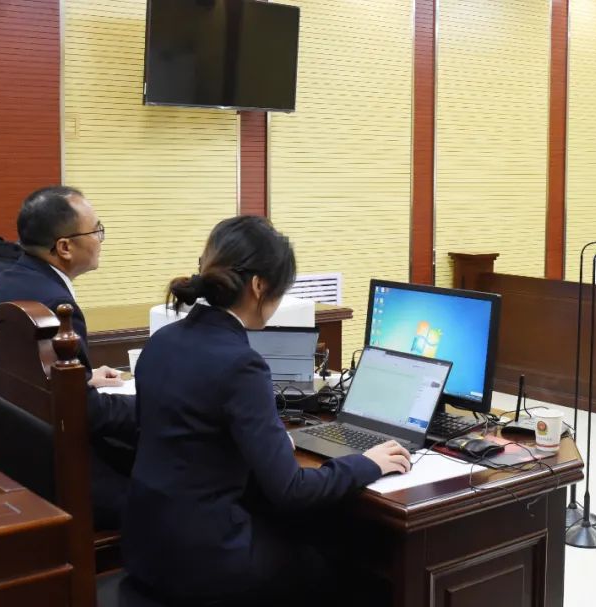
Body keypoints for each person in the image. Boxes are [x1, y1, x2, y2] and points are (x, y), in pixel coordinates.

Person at [123, 216, 411, 606]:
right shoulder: (242, 364)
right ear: (259, 286)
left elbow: (190, 438)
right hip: (205, 559)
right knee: (344, 560)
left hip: (147, 546)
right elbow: (292, 490)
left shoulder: (163, 341)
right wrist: (368, 463)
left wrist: (267, 442)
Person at [0, 186, 136, 529]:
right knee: (165, 496)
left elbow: (28, 378)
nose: (100, 239)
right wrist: (150, 403)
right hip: (42, 482)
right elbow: (87, 413)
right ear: (64, 247)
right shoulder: (54, 307)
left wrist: (83, 379)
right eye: (96, 230)